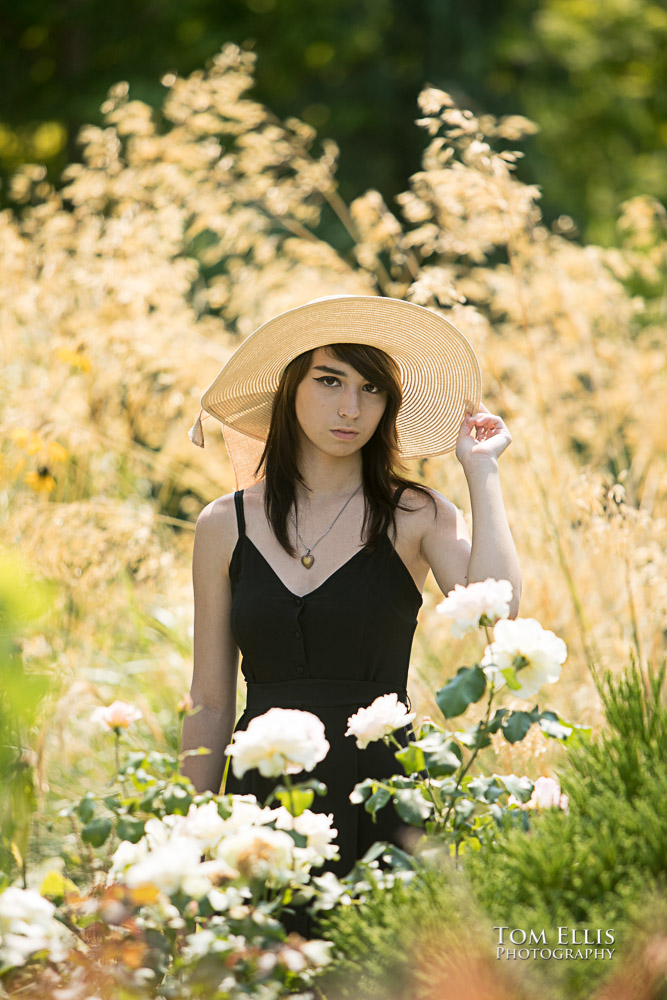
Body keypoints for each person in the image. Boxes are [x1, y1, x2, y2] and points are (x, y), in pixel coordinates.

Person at [180, 295, 521, 889]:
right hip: (262, 800)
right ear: (290, 389)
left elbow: (501, 613)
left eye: (371, 389)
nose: (350, 407)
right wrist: (190, 838)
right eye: (330, 380)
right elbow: (209, 702)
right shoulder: (222, 524)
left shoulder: (416, 515)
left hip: (384, 791)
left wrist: (481, 471)